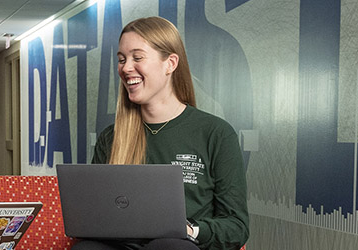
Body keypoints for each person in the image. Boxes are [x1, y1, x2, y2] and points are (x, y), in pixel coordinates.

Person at [75, 16, 249, 250]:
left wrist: (190, 230)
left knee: (170, 246)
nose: (126, 68)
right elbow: (95, 217)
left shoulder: (216, 134)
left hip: (179, 246)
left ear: (170, 63)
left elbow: (236, 226)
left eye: (137, 57)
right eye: (121, 59)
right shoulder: (110, 137)